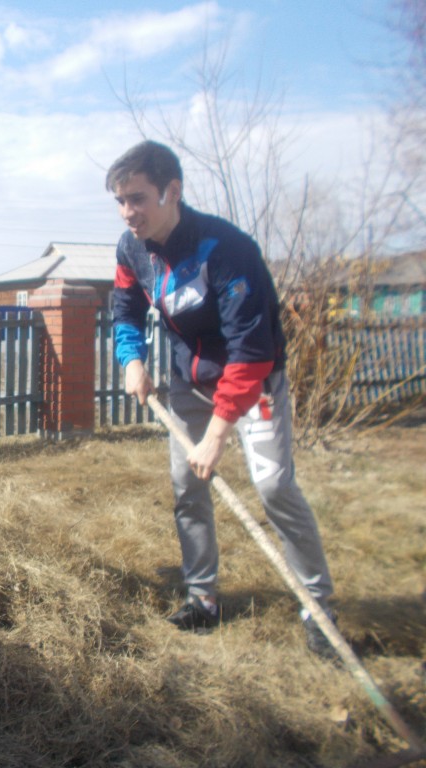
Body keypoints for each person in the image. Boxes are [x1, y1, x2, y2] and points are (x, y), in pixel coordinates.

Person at [106, 140, 338, 658]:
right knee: (187, 487)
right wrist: (132, 360)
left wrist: (217, 434)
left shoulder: (227, 249)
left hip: (253, 381)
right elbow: (124, 310)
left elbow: (251, 352)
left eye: (137, 198)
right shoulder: (130, 249)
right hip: (187, 384)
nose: (127, 213)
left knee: (274, 486)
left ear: (172, 191)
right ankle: (202, 598)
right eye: (120, 201)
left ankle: (318, 608)